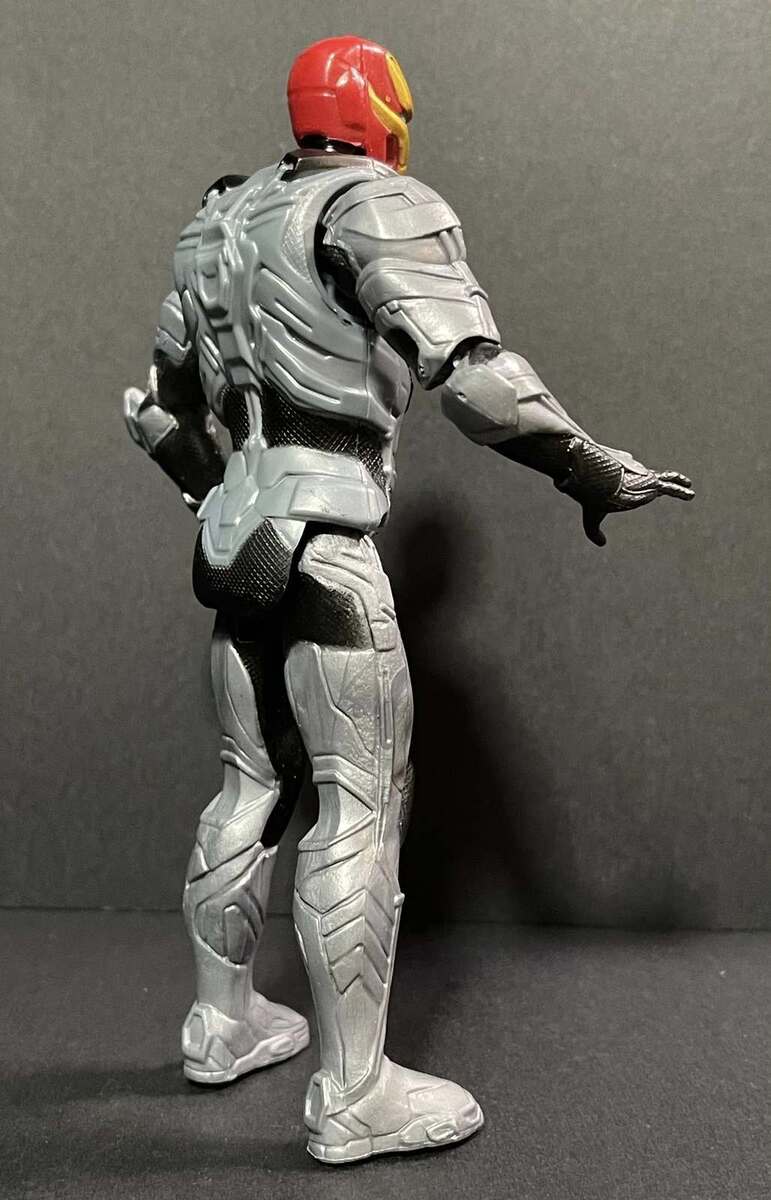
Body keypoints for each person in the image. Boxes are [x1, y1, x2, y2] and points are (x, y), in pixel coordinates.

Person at [123, 35, 693, 1164]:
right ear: (380, 111)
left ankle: (220, 1023)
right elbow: (472, 377)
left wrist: (213, 486)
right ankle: (354, 1093)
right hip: (328, 543)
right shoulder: (376, 204)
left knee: (250, 787)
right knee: (360, 807)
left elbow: (162, 408)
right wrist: (587, 465)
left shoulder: (219, 222)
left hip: (235, 540)